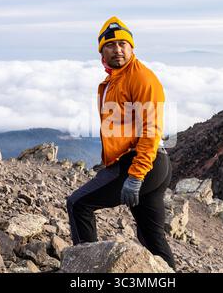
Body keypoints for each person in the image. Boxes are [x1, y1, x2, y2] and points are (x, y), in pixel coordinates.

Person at [66, 16, 175, 270]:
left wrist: (135, 176)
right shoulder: (109, 83)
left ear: (132, 47)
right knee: (151, 237)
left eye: (123, 44)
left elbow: (151, 131)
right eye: (111, 45)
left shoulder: (142, 79)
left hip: (143, 163)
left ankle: (85, 272)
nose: (118, 49)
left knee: (78, 204)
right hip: (150, 164)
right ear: (101, 51)